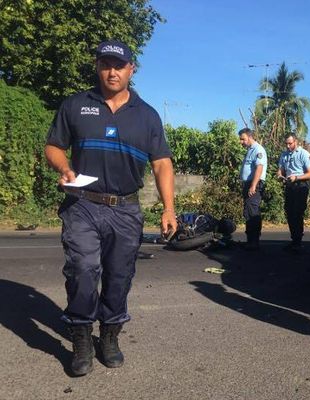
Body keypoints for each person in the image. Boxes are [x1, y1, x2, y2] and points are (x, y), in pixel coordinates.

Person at [44, 40, 177, 376]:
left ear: (132, 69)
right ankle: (81, 338)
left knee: (119, 277)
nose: (112, 71)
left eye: (119, 65)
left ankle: (110, 335)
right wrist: (64, 168)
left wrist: (169, 209)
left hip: (126, 209)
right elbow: (53, 147)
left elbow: (162, 164)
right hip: (82, 205)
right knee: (83, 270)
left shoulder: (147, 116)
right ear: (97, 66)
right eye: (105, 64)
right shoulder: (76, 105)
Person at [277, 133, 310, 252]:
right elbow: (280, 170)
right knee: (289, 212)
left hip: (300, 185)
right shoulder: (284, 155)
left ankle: (298, 242)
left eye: (290, 143)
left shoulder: (304, 154)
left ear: (296, 141)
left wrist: (296, 178)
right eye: (286, 144)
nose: (288, 146)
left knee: (297, 213)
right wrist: (280, 175)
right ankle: (294, 240)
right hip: (289, 185)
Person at [238, 128, 267, 251]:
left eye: (243, 139)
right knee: (248, 212)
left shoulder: (258, 149)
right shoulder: (250, 150)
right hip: (248, 184)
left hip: (254, 185)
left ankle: (254, 242)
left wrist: (253, 185)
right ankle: (250, 241)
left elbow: (259, 168)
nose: (241, 142)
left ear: (250, 137)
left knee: (252, 212)